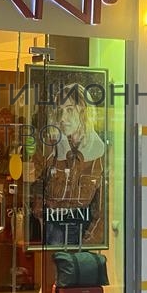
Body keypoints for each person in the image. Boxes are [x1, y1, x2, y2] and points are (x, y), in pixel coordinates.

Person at [29, 81, 106, 246]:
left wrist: (86, 246)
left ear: (84, 112)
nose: (63, 118)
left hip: (83, 235)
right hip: (51, 232)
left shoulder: (100, 155)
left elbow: (103, 211)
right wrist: (40, 213)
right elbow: (34, 184)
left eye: (70, 110)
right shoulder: (50, 148)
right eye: (61, 111)